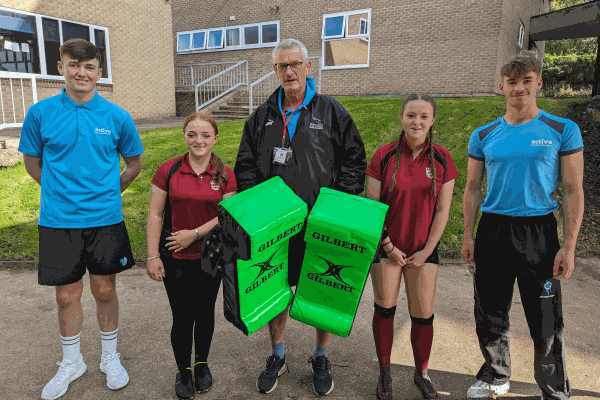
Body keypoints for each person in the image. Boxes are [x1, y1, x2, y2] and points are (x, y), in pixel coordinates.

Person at [234, 38, 366, 396]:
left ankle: (320, 355)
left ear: (309, 68)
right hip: (275, 227)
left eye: (295, 64)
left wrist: (335, 207)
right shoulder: (262, 116)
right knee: (275, 289)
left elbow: (354, 161)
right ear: (275, 71)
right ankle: (277, 354)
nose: (288, 72)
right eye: (281, 66)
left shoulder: (331, 111)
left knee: (321, 287)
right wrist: (259, 208)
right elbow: (245, 165)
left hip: (318, 224)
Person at [18, 38, 143, 399]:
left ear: (99, 73)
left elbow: (134, 164)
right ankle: (72, 361)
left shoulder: (116, 116)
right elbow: (31, 162)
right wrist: (58, 191)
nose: (81, 72)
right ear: (61, 68)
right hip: (58, 220)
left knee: (105, 290)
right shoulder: (40, 113)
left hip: (105, 218)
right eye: (74, 64)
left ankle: (108, 357)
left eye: (89, 67)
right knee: (66, 295)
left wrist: (109, 192)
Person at [462, 51, 584, 400]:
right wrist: (468, 236)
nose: (519, 88)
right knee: (490, 309)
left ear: (538, 83)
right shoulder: (484, 134)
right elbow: (472, 189)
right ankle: (496, 375)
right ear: (502, 86)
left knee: (545, 315)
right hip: (493, 230)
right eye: (512, 82)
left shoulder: (562, 129)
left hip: (539, 232)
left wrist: (569, 245)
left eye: (526, 81)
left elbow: (574, 190)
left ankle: (552, 387)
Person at [365, 94, 458, 400]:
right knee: (385, 310)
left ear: (432, 121)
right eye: (411, 115)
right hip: (387, 249)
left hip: (423, 251)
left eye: (423, 116)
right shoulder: (383, 156)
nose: (416, 122)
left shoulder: (443, 158)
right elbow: (372, 207)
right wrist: (389, 247)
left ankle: (422, 373)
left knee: (423, 315)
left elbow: (443, 211)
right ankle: (384, 372)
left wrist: (428, 250)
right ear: (402, 118)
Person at [146, 112, 237, 399]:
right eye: (192, 134)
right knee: (182, 316)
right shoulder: (168, 170)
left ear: (215, 138)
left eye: (205, 135)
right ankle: (183, 370)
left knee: (204, 312)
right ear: (184, 136)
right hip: (175, 256)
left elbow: (227, 216)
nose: (198, 141)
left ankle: (201, 364)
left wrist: (194, 234)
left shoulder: (225, 173)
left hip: (210, 255)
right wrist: (151, 256)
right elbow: (155, 214)